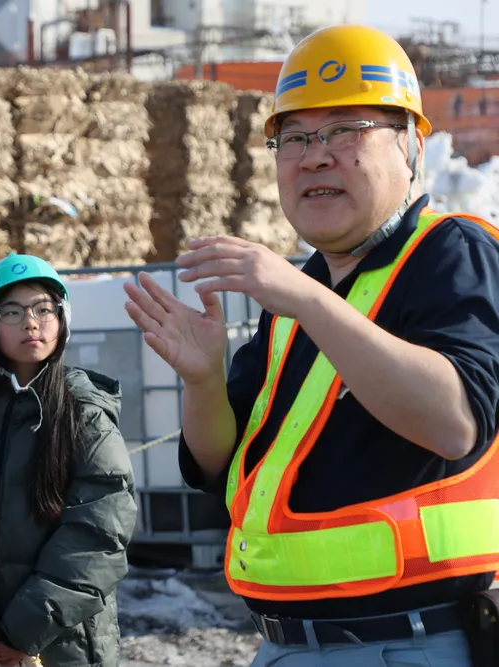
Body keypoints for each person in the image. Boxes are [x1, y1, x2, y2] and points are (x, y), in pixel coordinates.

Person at [123, 24, 499, 667]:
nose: (314, 157)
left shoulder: (452, 252)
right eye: (294, 138)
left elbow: (455, 421)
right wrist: (203, 380)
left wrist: (304, 299)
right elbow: (219, 464)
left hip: (412, 641)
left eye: (346, 130)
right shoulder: (303, 290)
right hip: (284, 643)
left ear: (411, 146)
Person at [0, 253, 137, 667]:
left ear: (62, 319)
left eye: (44, 309)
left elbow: (100, 534)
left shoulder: (84, 412)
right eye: (12, 311)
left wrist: (21, 633)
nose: (31, 322)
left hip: (64, 646)